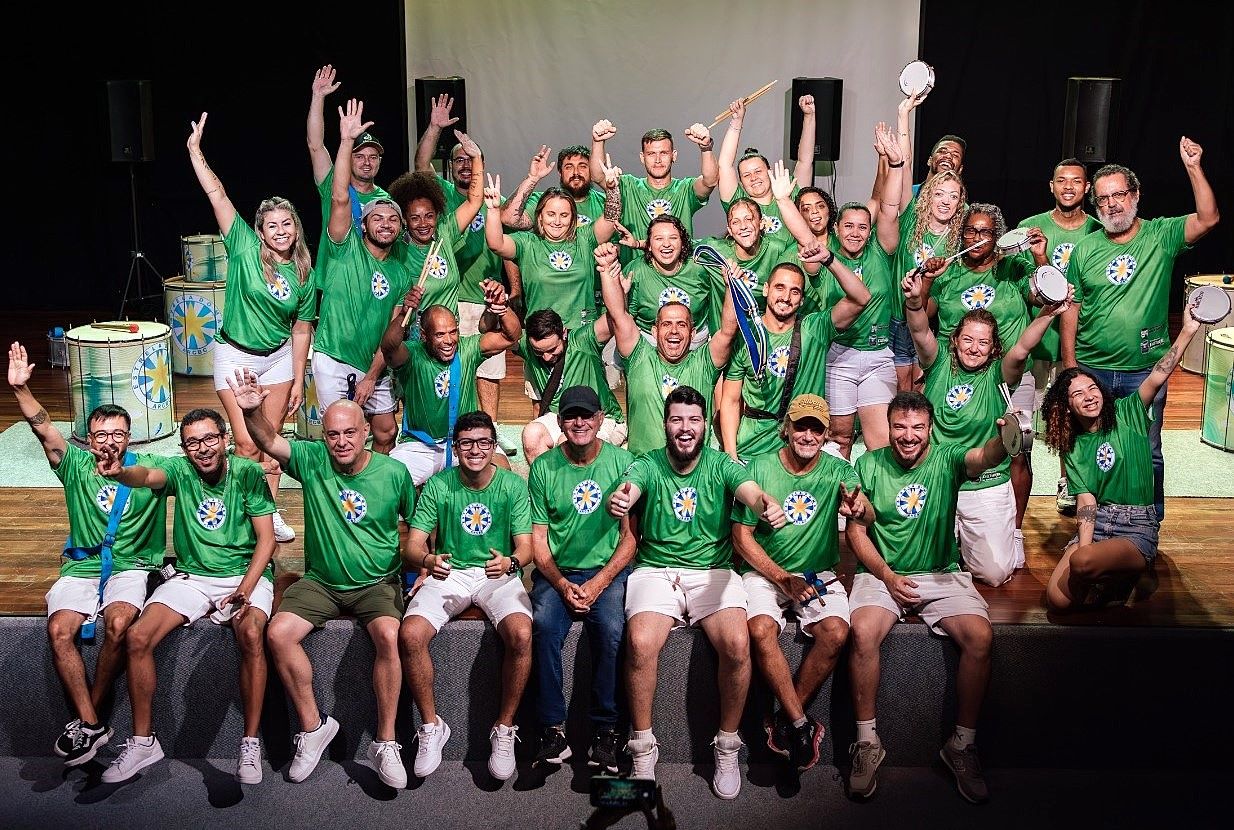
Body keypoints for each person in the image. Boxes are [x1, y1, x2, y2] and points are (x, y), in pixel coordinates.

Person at [227, 369, 416, 789]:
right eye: (333, 434)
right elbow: (267, 441)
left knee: (389, 635)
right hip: (322, 582)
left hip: (377, 583)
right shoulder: (312, 460)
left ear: (367, 431)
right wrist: (254, 411)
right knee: (277, 634)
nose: (342, 441)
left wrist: (422, 568)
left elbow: (419, 524)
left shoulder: (393, 473)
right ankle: (314, 727)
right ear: (324, 436)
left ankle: (385, 742)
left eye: (350, 432)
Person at [607, 386, 788, 800]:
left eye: (692, 420)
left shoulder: (721, 464)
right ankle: (642, 748)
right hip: (657, 569)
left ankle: (727, 745)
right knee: (639, 641)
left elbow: (749, 491)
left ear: (705, 425)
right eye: (676, 420)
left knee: (738, 643)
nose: (685, 428)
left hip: (713, 570)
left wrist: (764, 504)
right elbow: (630, 489)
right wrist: (622, 499)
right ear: (665, 424)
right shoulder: (647, 463)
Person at [844, 392, 1017, 804]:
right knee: (863, 632)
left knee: (981, 637)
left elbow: (983, 458)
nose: (908, 436)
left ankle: (962, 744)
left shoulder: (947, 457)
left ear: (930, 429)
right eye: (900, 427)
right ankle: (867, 743)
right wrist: (887, 576)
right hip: (883, 572)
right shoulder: (867, 464)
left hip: (941, 572)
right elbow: (855, 532)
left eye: (917, 427)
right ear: (888, 428)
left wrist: (1006, 439)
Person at [94, 409, 275, 785]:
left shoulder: (248, 473)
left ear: (225, 439)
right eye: (193, 443)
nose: (203, 449)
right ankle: (144, 741)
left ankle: (250, 741)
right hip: (194, 576)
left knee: (252, 635)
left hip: (245, 575)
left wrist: (244, 590)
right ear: (184, 448)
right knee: (138, 636)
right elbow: (146, 476)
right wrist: (120, 474)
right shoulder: (179, 470)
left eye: (210, 439)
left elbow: (267, 541)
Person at [8, 344, 164, 767]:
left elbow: (163, 475)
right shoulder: (74, 464)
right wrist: (23, 390)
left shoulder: (148, 467)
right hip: (82, 565)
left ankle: (89, 719)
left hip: (131, 567)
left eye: (118, 434)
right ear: (88, 439)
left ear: (128, 438)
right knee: (59, 630)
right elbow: (43, 429)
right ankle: (92, 723)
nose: (110, 441)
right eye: (101, 434)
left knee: (117, 624)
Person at [1061, 137, 1219, 519]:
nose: (1112, 204)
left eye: (1119, 195)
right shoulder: (1085, 249)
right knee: (1091, 447)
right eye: (1103, 199)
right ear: (1095, 206)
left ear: (1135, 194)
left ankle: (1148, 524)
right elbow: (1071, 309)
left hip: (1144, 371)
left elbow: (1208, 218)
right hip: (1092, 368)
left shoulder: (1160, 236)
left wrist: (1194, 167)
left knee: (1146, 449)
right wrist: (1070, 367)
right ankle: (1096, 521)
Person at [188, 111, 315, 544]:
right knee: (244, 445)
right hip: (235, 355)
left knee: (271, 442)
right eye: (272, 225)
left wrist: (298, 378)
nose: (281, 231)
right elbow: (217, 193)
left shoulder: (304, 272)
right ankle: (244, 512)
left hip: (278, 358)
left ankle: (269, 514)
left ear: (295, 228)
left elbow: (301, 329)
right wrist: (195, 151)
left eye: (287, 223)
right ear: (259, 231)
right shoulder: (242, 246)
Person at [904, 266, 1073, 585]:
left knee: (995, 574)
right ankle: (951, 544)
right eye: (967, 339)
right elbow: (919, 331)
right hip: (940, 481)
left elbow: (1022, 348)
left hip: (985, 483)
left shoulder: (1000, 374)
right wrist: (914, 302)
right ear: (954, 340)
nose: (973, 347)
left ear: (994, 347)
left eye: (983, 342)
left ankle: (971, 539)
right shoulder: (938, 362)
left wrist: (1049, 313)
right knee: (919, 566)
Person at [1043, 306, 1204, 612]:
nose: (1089, 395)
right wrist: (1083, 549)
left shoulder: (1128, 411)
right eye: (1078, 394)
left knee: (1083, 563)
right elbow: (1087, 503)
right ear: (1066, 407)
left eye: (1092, 387)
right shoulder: (1073, 446)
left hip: (1136, 525)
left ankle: (1123, 572)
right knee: (1057, 599)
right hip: (1100, 522)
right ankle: (1104, 575)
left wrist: (1188, 330)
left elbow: (1159, 372)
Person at [401, 411, 534, 783]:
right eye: (467, 443)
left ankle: (505, 728)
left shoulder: (512, 485)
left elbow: (527, 548)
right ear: (456, 448)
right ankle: (431, 725)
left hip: (498, 573)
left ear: (494, 446)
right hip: (451, 572)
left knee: (522, 634)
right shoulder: (439, 486)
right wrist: (427, 559)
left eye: (483, 442)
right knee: (410, 634)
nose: (475, 450)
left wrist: (511, 563)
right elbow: (411, 545)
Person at [731, 394, 862, 772]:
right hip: (766, 570)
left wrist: (858, 507)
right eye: (800, 426)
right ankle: (804, 725)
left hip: (817, 571)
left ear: (826, 436)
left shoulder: (838, 469)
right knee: (759, 628)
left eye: (816, 428)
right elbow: (741, 537)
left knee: (837, 632)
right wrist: (781, 577)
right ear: (785, 428)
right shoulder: (759, 468)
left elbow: (860, 503)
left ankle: (787, 721)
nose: (807, 434)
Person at [918, 203, 1047, 568]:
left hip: (1005, 374)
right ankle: (952, 529)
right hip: (952, 372)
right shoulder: (948, 271)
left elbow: (1043, 296)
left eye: (986, 232)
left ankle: (1013, 531)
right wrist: (928, 278)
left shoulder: (1013, 267)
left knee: (1016, 449)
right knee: (948, 445)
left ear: (999, 237)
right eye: (971, 231)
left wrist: (1040, 258)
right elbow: (921, 313)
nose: (977, 238)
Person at [527, 385, 637, 771]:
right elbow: (539, 542)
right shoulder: (543, 468)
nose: (579, 422)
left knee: (610, 629)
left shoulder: (623, 463)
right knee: (540, 625)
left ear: (600, 419)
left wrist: (599, 583)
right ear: (559, 422)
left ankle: (606, 732)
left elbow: (629, 540)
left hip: (604, 571)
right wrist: (560, 584)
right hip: (557, 572)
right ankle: (551, 729)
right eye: (571, 415)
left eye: (586, 415)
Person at [311, 100, 415, 455]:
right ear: (363, 224)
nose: (385, 222)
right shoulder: (344, 246)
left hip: (372, 361)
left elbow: (391, 335)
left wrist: (371, 376)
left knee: (386, 433)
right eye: (377, 219)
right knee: (339, 433)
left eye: (392, 220)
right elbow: (340, 198)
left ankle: (376, 486)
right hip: (334, 355)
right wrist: (344, 140)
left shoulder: (400, 272)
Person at [413, 93, 511, 422]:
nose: (466, 165)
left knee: (490, 365)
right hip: (454, 298)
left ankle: (490, 429)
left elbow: (509, 247)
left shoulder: (492, 198)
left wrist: (513, 288)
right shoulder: (442, 199)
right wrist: (434, 128)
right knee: (452, 365)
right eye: (460, 160)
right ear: (451, 167)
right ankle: (448, 424)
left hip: (486, 294)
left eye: (471, 160)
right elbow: (421, 164)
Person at [1016, 159, 1103, 516]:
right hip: (1037, 344)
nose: (1069, 187)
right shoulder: (1028, 228)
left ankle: (1072, 483)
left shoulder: (1100, 232)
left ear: (1087, 189)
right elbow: (1026, 289)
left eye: (1077, 181)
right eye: (1061, 181)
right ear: (1051, 186)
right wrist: (1042, 262)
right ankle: (1018, 492)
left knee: (1076, 419)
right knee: (1024, 428)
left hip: (1083, 346)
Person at [595, 241, 738, 456]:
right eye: (666, 324)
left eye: (681, 324)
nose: (673, 331)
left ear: (692, 333)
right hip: (646, 472)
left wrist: (731, 286)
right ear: (654, 332)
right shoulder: (639, 357)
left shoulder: (704, 364)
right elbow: (618, 314)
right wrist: (606, 271)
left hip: (694, 474)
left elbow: (727, 331)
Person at [720, 261, 869, 463]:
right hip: (752, 450)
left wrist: (829, 259)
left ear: (802, 300)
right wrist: (731, 455)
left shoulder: (815, 329)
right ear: (766, 289)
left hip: (802, 447)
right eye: (779, 287)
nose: (786, 297)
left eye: (795, 291)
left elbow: (861, 298)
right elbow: (730, 400)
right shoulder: (747, 336)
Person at [820, 123, 906, 457]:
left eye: (862, 227)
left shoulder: (881, 249)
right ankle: (839, 507)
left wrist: (890, 162)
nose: (856, 233)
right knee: (839, 438)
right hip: (839, 355)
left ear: (870, 231)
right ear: (836, 229)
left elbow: (887, 204)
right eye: (848, 226)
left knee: (880, 441)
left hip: (878, 356)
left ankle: (876, 503)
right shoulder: (825, 253)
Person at [381, 282, 521, 485]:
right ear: (424, 335)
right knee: (389, 479)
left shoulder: (468, 348)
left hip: (466, 441)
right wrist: (403, 315)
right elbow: (389, 347)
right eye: (439, 334)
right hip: (421, 446)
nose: (449, 340)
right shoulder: (412, 354)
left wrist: (502, 308)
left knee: (502, 472)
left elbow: (511, 336)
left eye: (453, 332)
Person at [483, 159, 620, 331]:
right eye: (550, 214)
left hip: (582, 337)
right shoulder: (528, 243)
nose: (557, 221)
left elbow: (610, 219)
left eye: (564, 215)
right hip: (541, 336)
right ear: (539, 216)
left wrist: (612, 189)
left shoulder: (584, 239)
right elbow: (496, 243)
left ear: (572, 219)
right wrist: (493, 211)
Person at [700, 161, 820, 312]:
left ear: (762, 223)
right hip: (724, 333)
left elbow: (808, 243)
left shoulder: (777, 249)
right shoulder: (713, 250)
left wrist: (783, 200)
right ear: (729, 230)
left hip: (765, 331)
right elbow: (678, 246)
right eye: (736, 222)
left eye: (749, 219)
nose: (743, 226)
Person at [514, 308, 627, 462]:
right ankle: (544, 484)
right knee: (532, 434)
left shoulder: (583, 342)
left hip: (601, 417)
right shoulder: (529, 347)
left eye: (552, 349)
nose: (546, 357)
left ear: (564, 333)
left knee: (567, 442)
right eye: (540, 352)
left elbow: (616, 315)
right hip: (560, 416)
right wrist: (501, 308)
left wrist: (618, 289)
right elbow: (507, 333)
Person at [306, 65, 390, 268]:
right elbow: (315, 145)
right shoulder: (332, 183)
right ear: (348, 159)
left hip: (370, 283)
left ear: (380, 161)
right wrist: (318, 97)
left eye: (373, 157)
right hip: (334, 282)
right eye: (359, 156)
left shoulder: (386, 201)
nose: (367, 162)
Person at [890, 170, 966, 391]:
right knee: (899, 390)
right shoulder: (911, 222)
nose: (945, 201)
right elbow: (904, 172)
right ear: (927, 195)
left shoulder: (959, 242)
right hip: (897, 321)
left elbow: (939, 300)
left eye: (953, 196)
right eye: (939, 194)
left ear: (960, 202)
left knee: (921, 391)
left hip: (931, 325)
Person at [590, 119, 718, 244]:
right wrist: (598, 141)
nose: (657, 160)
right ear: (642, 157)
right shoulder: (628, 186)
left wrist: (705, 148)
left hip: (680, 265)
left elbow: (710, 181)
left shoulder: (685, 189)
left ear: (674, 155)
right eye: (651, 153)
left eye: (663, 153)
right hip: (634, 265)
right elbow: (598, 176)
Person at [716, 95, 817, 244]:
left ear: (770, 172)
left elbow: (805, 161)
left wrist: (809, 116)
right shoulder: (738, 201)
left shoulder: (788, 190)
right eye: (746, 175)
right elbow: (724, 164)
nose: (753, 177)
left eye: (758, 171)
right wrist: (737, 121)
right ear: (741, 183)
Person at [613, 214, 715, 345]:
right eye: (659, 238)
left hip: (695, 340)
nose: (666, 244)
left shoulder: (699, 266)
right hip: (649, 340)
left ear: (683, 243)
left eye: (673, 238)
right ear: (648, 245)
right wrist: (621, 297)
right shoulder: (636, 271)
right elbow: (624, 320)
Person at [501, 144, 607, 230]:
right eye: (569, 167)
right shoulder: (543, 201)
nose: (576, 172)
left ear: (591, 170)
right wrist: (532, 178)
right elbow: (508, 219)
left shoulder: (605, 202)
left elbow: (617, 243)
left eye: (582, 166)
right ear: (560, 172)